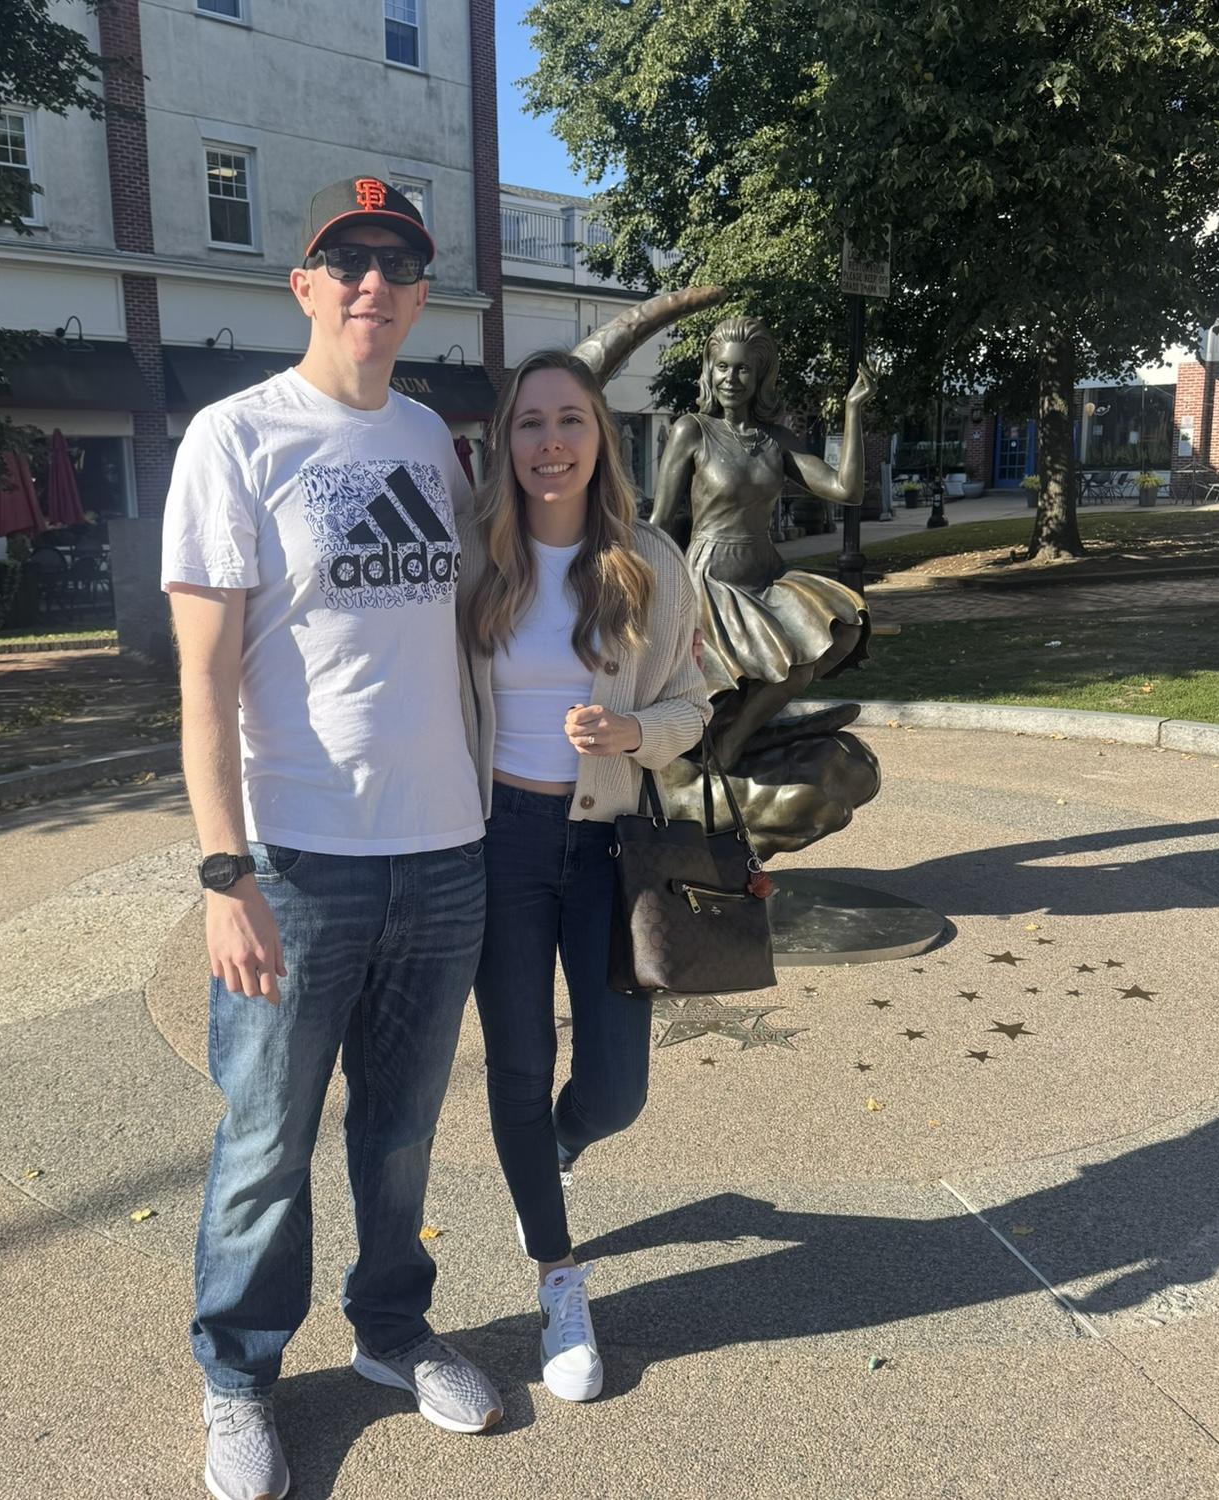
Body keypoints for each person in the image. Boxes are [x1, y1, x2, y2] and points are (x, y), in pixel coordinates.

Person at [162, 176, 502, 1500]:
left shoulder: (430, 442)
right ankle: (241, 1376)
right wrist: (224, 874)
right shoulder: (235, 438)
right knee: (265, 1143)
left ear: (420, 296)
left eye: (398, 264)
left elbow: (482, 620)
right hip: (297, 862)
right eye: (347, 260)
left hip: (444, 851)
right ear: (302, 285)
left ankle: (391, 1332)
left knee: (402, 1133)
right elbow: (202, 682)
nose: (374, 282)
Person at [458, 349, 710, 1403]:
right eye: (530, 423)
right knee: (517, 1065)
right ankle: (558, 1278)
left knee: (616, 1088)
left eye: (570, 420)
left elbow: (695, 707)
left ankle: (556, 1146)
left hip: (610, 847)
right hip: (499, 842)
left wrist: (633, 731)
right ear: (505, 441)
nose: (550, 442)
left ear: (601, 436)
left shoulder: (648, 559)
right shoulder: (474, 555)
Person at [651, 315, 875, 771]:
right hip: (712, 579)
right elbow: (660, 520)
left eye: (743, 369)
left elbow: (846, 490)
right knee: (779, 663)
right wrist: (644, 584)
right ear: (709, 370)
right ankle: (723, 741)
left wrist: (853, 411)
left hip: (765, 571)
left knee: (841, 630)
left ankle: (737, 735)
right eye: (722, 367)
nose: (730, 379)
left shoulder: (777, 441)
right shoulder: (692, 430)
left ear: (760, 377)